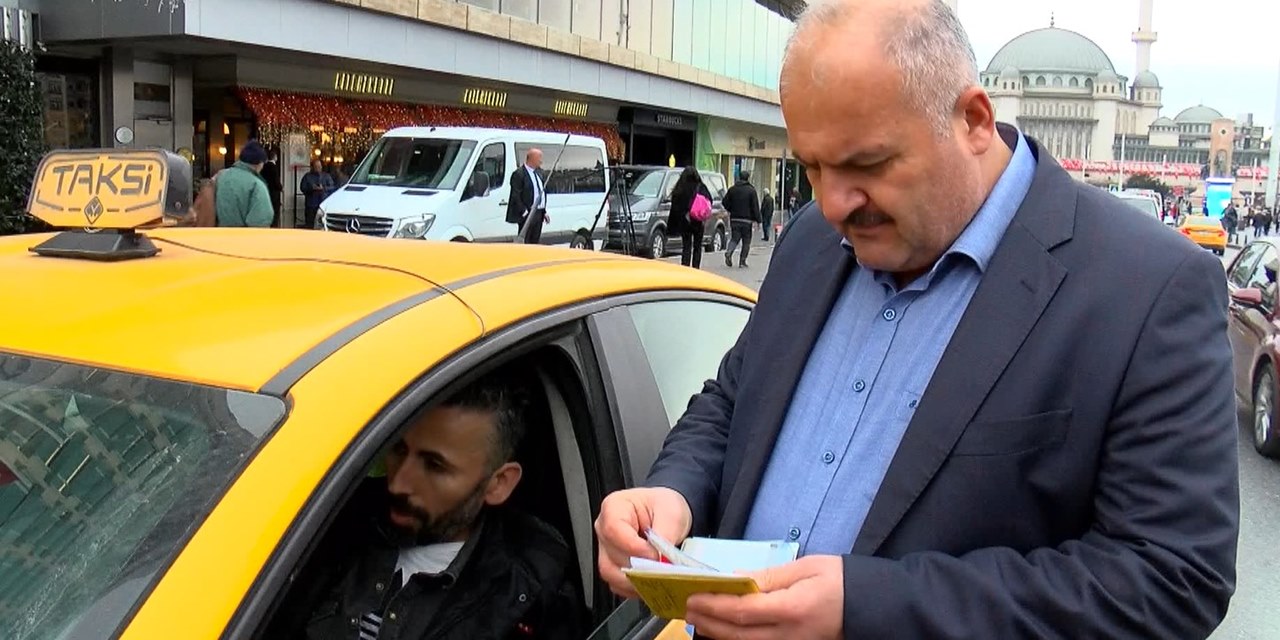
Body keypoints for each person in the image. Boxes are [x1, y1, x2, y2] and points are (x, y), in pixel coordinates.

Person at [594, 1, 1238, 639]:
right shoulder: (812, 241)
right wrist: (672, 494)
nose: (835, 203)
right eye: (812, 168)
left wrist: (870, 607)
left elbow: (1170, 578)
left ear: (974, 120)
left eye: (867, 165)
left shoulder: (1149, 288)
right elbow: (734, 403)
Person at [267, 371, 583, 639]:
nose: (397, 483)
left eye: (433, 466)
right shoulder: (325, 518)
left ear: (498, 484)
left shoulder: (529, 597)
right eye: (398, 449)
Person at [215, 140, 275, 228]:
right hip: (244, 238)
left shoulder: (220, 177)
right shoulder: (257, 185)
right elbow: (261, 220)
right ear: (259, 163)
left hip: (218, 236)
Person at [669, 166, 712, 268]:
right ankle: (696, 268)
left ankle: (685, 267)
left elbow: (675, 205)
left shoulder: (680, 188)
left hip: (685, 221)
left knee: (686, 246)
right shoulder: (701, 187)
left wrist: (684, 214)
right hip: (698, 220)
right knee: (697, 246)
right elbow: (709, 200)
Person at [507, 148, 550, 244]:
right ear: (532, 159)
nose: (541, 161)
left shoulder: (539, 173)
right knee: (526, 241)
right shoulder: (519, 174)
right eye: (539, 158)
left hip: (538, 214)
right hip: (527, 214)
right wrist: (524, 212)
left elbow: (540, 193)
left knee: (535, 241)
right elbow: (515, 195)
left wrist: (544, 211)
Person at [722, 170, 761, 267]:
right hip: (746, 221)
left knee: (734, 238)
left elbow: (725, 202)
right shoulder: (751, 190)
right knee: (746, 241)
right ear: (748, 178)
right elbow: (755, 206)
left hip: (734, 219)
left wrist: (731, 209)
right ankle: (742, 262)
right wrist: (758, 220)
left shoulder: (732, 189)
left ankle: (729, 252)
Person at [300, 160, 335, 230]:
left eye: (319, 166)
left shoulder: (326, 176)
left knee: (323, 225)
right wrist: (311, 188)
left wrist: (323, 188)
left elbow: (333, 187)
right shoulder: (307, 176)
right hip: (311, 205)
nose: (318, 168)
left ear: (321, 167)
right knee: (309, 225)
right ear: (312, 167)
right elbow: (302, 188)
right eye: (316, 167)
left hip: (323, 205)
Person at [261, 149, 285, 227]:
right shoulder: (274, 167)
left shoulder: (264, 167)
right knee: (275, 212)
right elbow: (276, 180)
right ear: (275, 157)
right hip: (274, 193)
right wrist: (281, 188)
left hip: (266, 191)